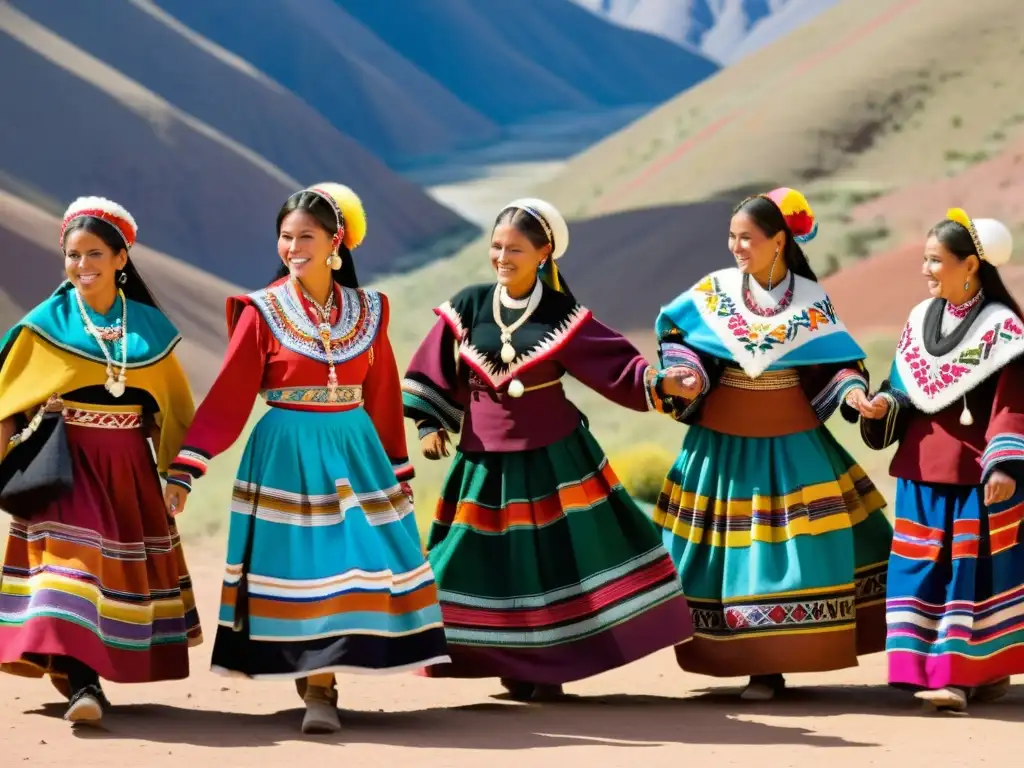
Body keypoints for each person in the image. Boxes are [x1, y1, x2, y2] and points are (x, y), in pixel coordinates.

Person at [164, 183, 448, 735]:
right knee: (304, 573)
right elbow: (228, 396)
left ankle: (327, 678)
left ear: (336, 241)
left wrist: (399, 471)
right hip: (285, 457)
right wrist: (187, 469)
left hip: (355, 452)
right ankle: (320, 688)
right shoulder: (262, 311)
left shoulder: (370, 310)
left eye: (306, 237)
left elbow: (384, 394)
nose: (293, 247)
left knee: (358, 567)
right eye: (285, 237)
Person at [402, 197, 694, 702]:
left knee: (552, 563)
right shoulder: (468, 306)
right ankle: (495, 658)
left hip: (553, 457)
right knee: (473, 560)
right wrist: (431, 422)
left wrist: (662, 381)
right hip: (482, 460)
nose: (502, 257)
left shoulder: (563, 315)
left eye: (515, 248)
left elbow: (618, 367)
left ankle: (546, 668)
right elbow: (434, 369)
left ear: (544, 254)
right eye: (496, 246)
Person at [651, 187, 894, 701]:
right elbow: (678, 339)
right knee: (726, 554)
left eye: (748, 238)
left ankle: (769, 666)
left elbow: (837, 366)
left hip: (792, 443)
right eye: (732, 237)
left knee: (780, 552)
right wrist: (688, 374)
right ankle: (741, 656)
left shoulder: (809, 303)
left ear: (779, 241)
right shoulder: (713, 294)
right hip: (723, 443)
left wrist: (856, 399)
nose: (737, 247)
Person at [0, 197, 201, 725]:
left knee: (109, 576)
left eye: (94, 254)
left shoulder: (152, 332)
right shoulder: (45, 324)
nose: (82, 265)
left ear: (120, 258)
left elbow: (174, 413)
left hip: (129, 471)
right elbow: (6, 403)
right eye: (72, 255)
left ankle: (82, 677)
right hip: (63, 468)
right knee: (71, 571)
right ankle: (84, 687)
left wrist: (176, 476)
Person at [860, 209, 1024, 712]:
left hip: (973, 475)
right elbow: (903, 386)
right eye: (925, 260)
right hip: (919, 471)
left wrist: (1003, 466)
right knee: (917, 569)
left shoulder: (1003, 329)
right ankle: (925, 670)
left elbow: (1013, 403)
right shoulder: (920, 319)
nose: (927, 270)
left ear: (970, 265)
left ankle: (958, 677)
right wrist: (884, 405)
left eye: (936, 261)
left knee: (964, 575)